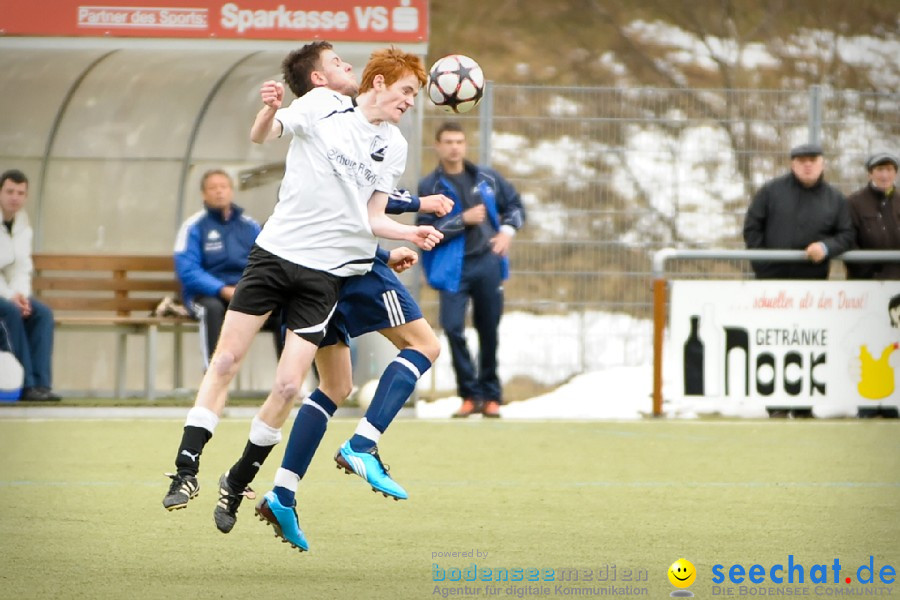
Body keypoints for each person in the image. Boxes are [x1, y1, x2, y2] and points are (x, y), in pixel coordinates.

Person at [161, 44, 441, 524]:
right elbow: (263, 134)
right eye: (408, 91)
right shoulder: (322, 106)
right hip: (280, 260)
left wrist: (408, 229)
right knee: (230, 360)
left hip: (325, 277)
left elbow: (367, 213)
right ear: (377, 84)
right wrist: (269, 107)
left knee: (299, 385)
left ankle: (251, 484)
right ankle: (188, 467)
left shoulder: (392, 144)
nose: (411, 102)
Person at [417, 121, 526, 418]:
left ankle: (491, 395)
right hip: (453, 269)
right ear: (438, 146)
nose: (454, 147)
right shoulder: (429, 186)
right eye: (448, 141)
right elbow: (425, 231)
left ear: (465, 145)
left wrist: (506, 232)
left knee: (488, 329)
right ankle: (469, 395)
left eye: (459, 141)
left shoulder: (487, 178)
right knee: (452, 329)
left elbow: (516, 206)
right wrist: (461, 220)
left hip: (488, 264)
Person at [174, 169, 284, 367]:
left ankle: (291, 381)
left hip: (244, 294)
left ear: (231, 191)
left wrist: (250, 290)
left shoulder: (249, 226)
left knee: (285, 310)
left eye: (223, 187)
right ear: (203, 194)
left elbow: (266, 262)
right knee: (212, 309)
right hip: (205, 297)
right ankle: (213, 376)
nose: (219, 192)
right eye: (213, 188)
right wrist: (222, 290)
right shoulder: (194, 226)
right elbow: (188, 270)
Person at [743, 142, 854, 280]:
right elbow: (752, 227)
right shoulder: (770, 191)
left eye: (813, 160)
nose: (807, 165)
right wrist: (762, 262)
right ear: (792, 165)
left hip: (813, 280)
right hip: (771, 280)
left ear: (822, 164)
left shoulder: (836, 199)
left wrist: (826, 247)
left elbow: (847, 234)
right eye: (801, 161)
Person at [0, 169, 59, 402]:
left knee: (42, 313)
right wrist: (9, 297)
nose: (15, 197)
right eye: (9, 191)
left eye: (20, 193)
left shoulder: (23, 223)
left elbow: (22, 267)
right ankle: (26, 384)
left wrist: (21, 296)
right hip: (3, 298)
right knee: (11, 313)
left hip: (10, 295)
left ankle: (41, 384)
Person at [846, 151, 900, 280]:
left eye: (889, 169)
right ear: (870, 174)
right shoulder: (854, 203)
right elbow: (848, 241)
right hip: (867, 282)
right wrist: (870, 274)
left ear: (896, 173)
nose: (885, 175)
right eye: (880, 169)